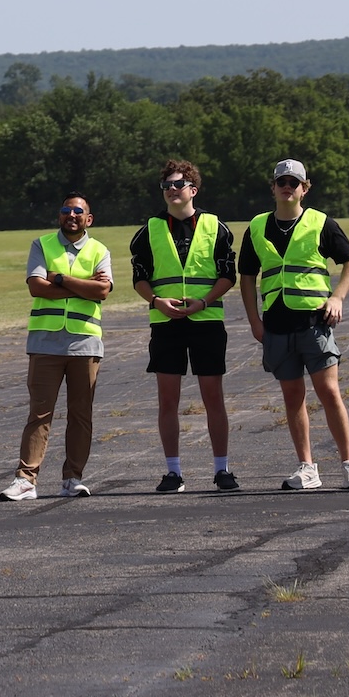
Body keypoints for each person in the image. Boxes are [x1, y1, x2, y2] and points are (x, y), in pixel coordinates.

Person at [239, 157, 349, 490]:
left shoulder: (321, 223)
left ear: (305, 189)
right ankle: (307, 467)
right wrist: (254, 320)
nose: (287, 187)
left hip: (314, 320)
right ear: (273, 188)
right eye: (281, 182)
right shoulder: (256, 227)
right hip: (277, 323)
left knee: (329, 392)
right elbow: (248, 277)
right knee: (292, 395)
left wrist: (338, 297)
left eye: (294, 183)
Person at [130, 158, 238, 492]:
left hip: (206, 320)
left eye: (178, 185)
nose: (172, 191)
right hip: (166, 322)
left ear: (193, 189)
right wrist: (156, 302)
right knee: (168, 400)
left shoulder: (215, 227)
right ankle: (173, 471)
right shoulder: (149, 230)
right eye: (166, 186)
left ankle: (222, 470)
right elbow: (140, 277)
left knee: (212, 397)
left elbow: (227, 275)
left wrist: (203, 302)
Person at [3, 193, 113, 501]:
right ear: (59, 216)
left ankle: (73, 478)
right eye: (66, 211)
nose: (72, 215)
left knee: (81, 414)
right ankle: (26, 480)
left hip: (85, 343)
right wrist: (83, 284)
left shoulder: (99, 250)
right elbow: (37, 287)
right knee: (40, 413)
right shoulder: (42, 245)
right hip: (45, 342)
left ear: (88, 219)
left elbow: (102, 290)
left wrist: (60, 278)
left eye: (78, 211)